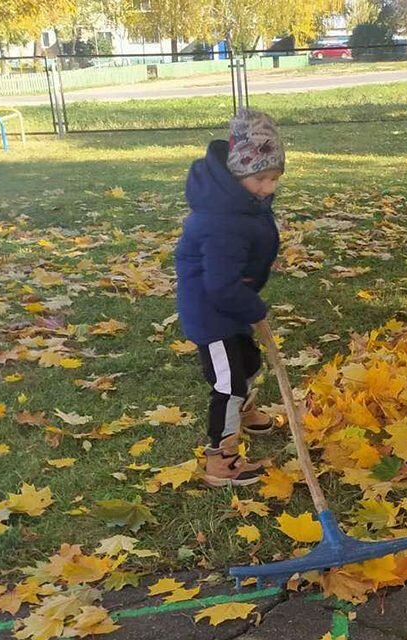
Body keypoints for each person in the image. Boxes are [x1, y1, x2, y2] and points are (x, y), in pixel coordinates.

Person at [175, 109, 284, 486]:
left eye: (274, 178)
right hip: (213, 312)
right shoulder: (222, 220)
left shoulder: (241, 202)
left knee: (249, 362)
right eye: (261, 178)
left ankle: (245, 411)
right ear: (238, 174)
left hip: (231, 302)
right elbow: (219, 285)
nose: (269, 188)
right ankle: (221, 460)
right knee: (228, 383)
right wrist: (253, 306)